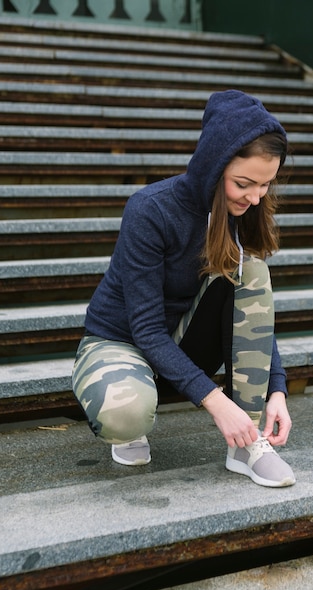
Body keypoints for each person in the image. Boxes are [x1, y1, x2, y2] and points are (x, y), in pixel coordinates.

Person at [72, 89, 296, 488]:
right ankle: (132, 408)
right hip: (121, 340)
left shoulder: (240, 210)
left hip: (184, 339)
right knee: (125, 416)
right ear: (214, 166)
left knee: (253, 272)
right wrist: (216, 401)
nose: (256, 196)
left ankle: (247, 445)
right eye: (244, 183)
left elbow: (254, 313)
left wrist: (275, 390)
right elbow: (146, 329)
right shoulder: (150, 210)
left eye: (265, 185)